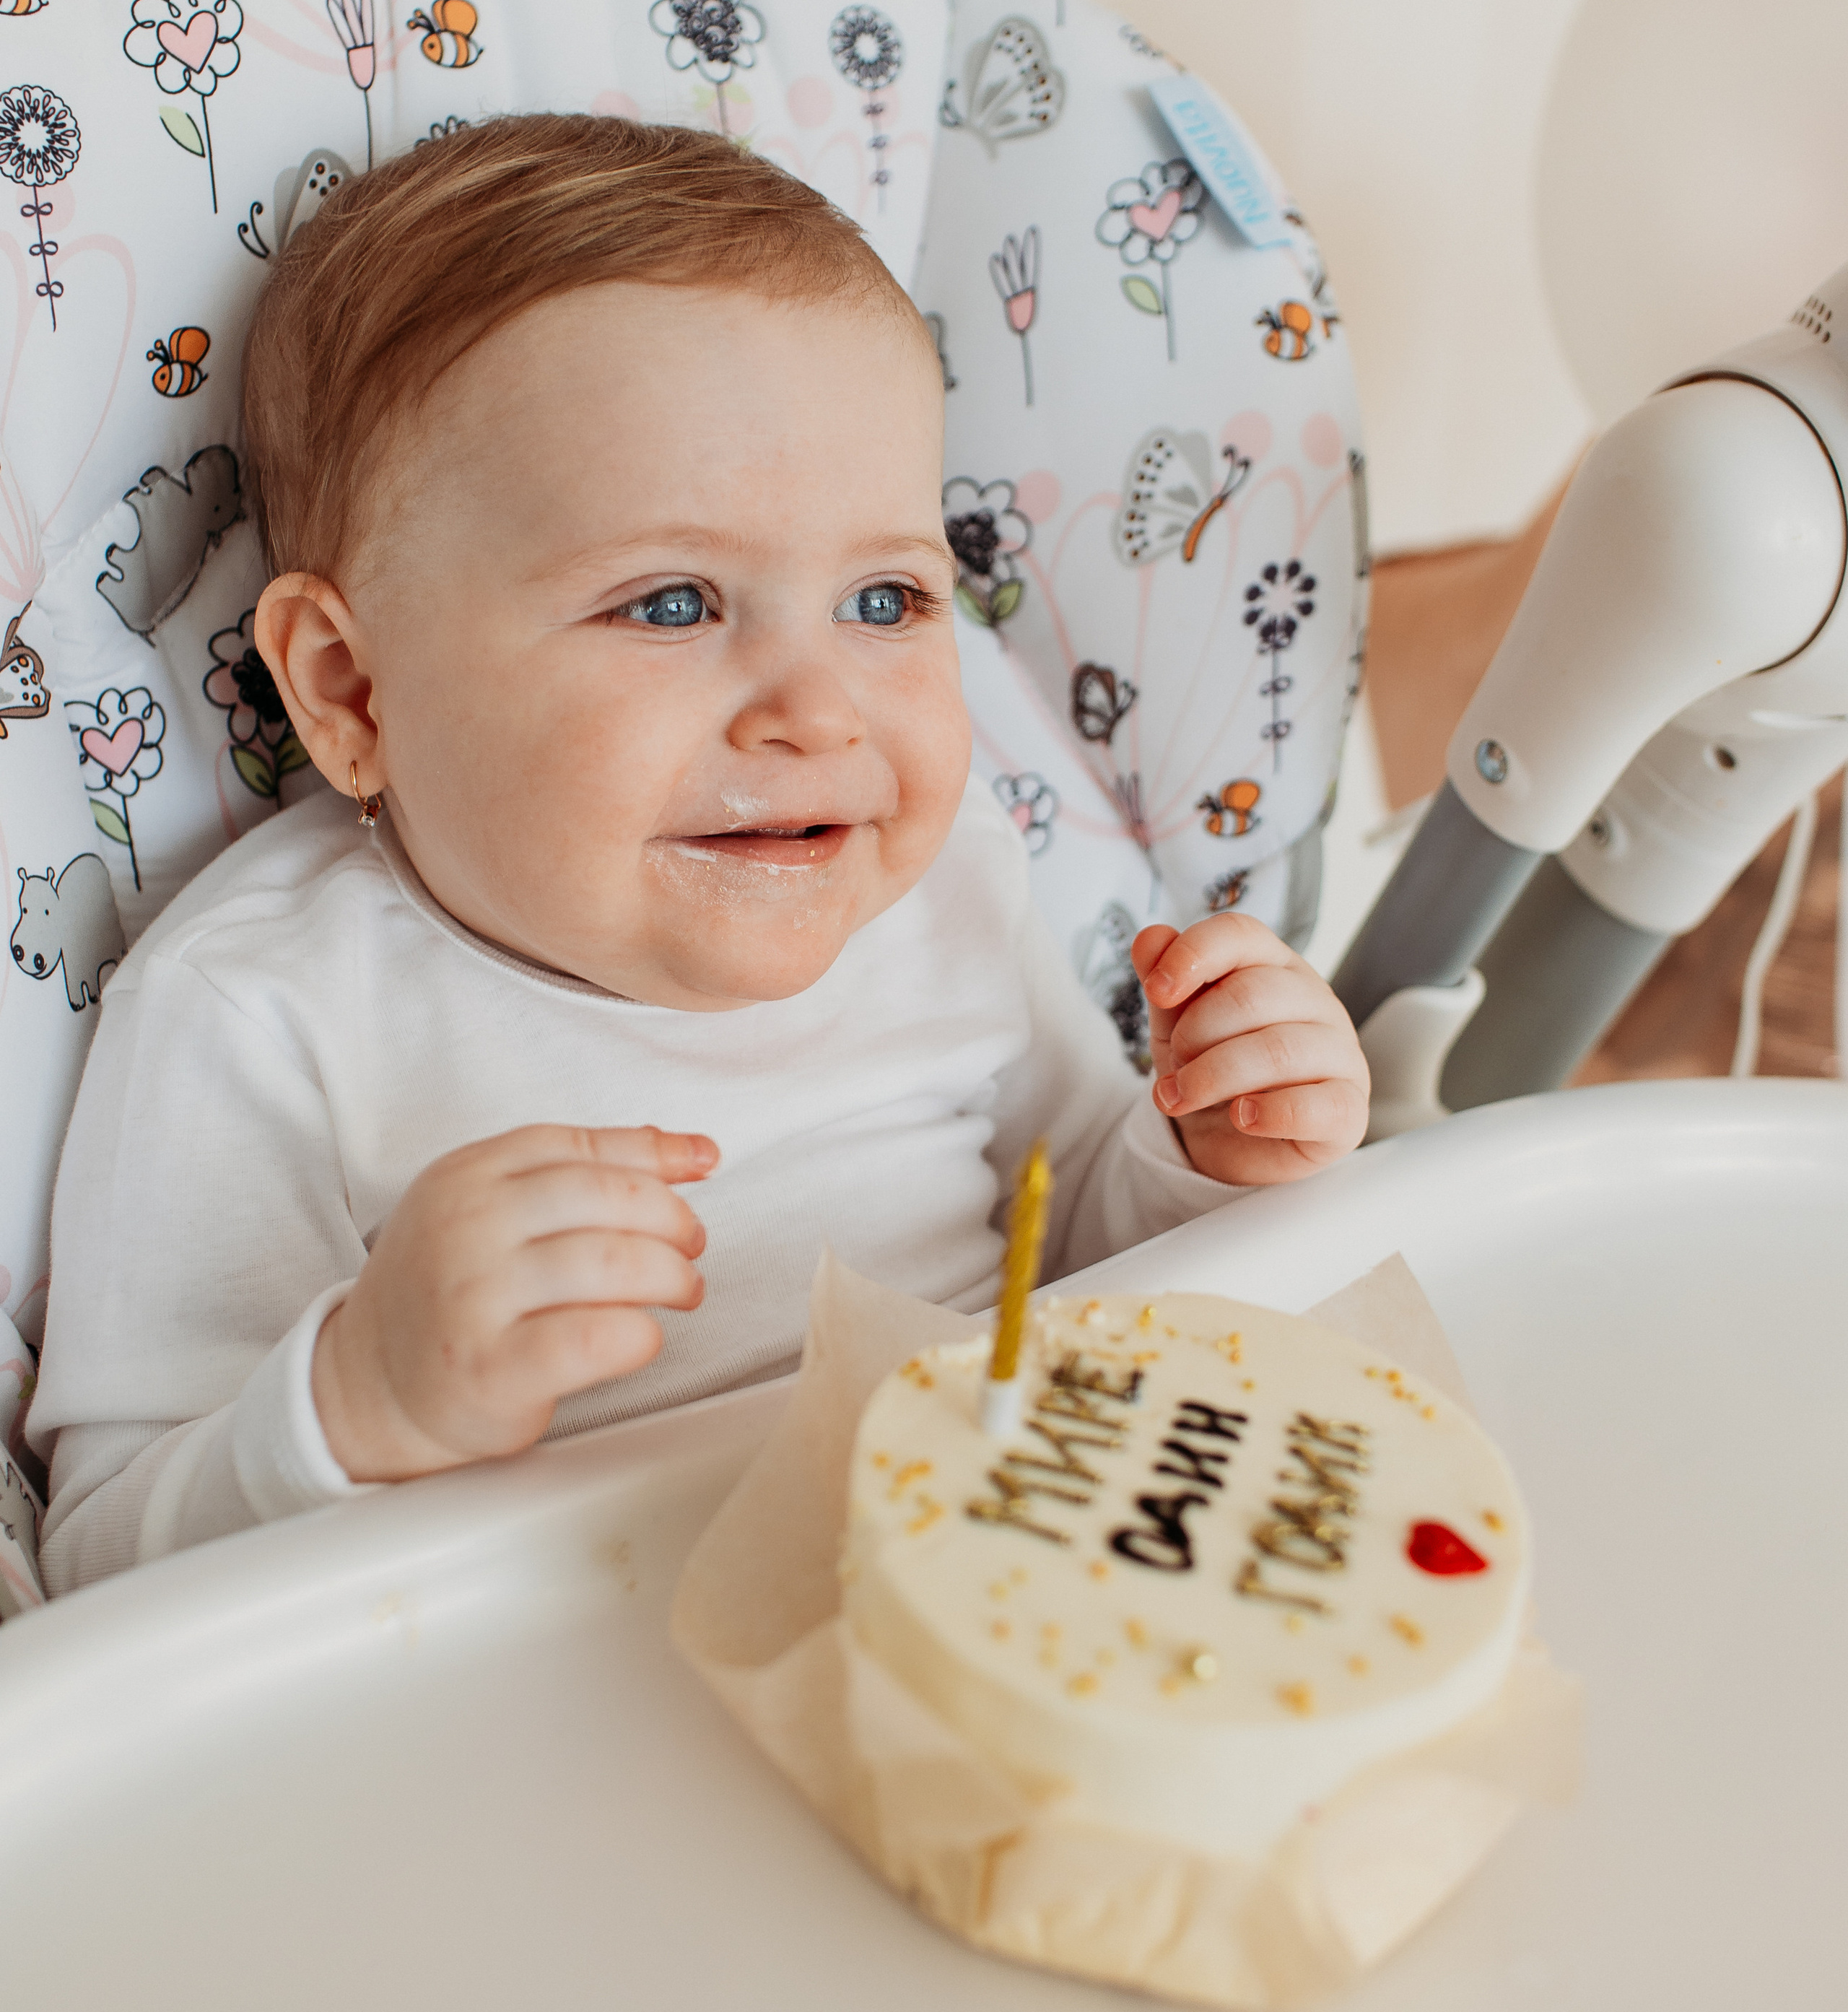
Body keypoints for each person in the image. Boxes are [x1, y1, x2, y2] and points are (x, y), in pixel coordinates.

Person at [30, 118, 1369, 1592]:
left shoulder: (943, 886)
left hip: (995, 1586)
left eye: (883, 602)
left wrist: (1206, 1153)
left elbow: (1079, 1247)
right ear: (352, 692)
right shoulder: (264, 1009)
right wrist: (356, 1402)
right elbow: (98, 1562)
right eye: (671, 604)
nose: (816, 712)